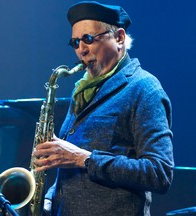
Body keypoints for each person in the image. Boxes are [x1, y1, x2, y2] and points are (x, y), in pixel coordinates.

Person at [33, 1, 174, 215]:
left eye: (88, 39)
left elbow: (159, 173)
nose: (81, 50)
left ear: (119, 37)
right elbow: (74, 174)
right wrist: (51, 198)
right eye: (75, 43)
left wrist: (84, 158)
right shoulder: (83, 89)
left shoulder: (144, 88)